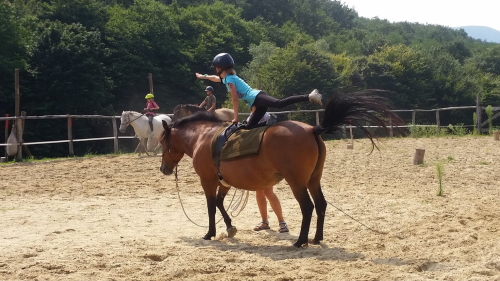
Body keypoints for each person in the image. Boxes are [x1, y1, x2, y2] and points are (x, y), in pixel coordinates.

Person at [195, 53, 322, 128]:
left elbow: (234, 99)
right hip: (255, 103)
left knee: (279, 103)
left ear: (219, 68)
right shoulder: (226, 78)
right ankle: (268, 124)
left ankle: (309, 96)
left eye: (216, 68)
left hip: (257, 97)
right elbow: (215, 78)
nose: (215, 70)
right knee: (249, 127)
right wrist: (203, 76)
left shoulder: (229, 80)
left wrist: (235, 118)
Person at [246, 106, 288, 233]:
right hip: (256, 159)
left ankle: (282, 222)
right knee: (259, 192)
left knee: (268, 192)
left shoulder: (265, 116)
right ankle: (265, 221)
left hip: (264, 159)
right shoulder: (253, 117)